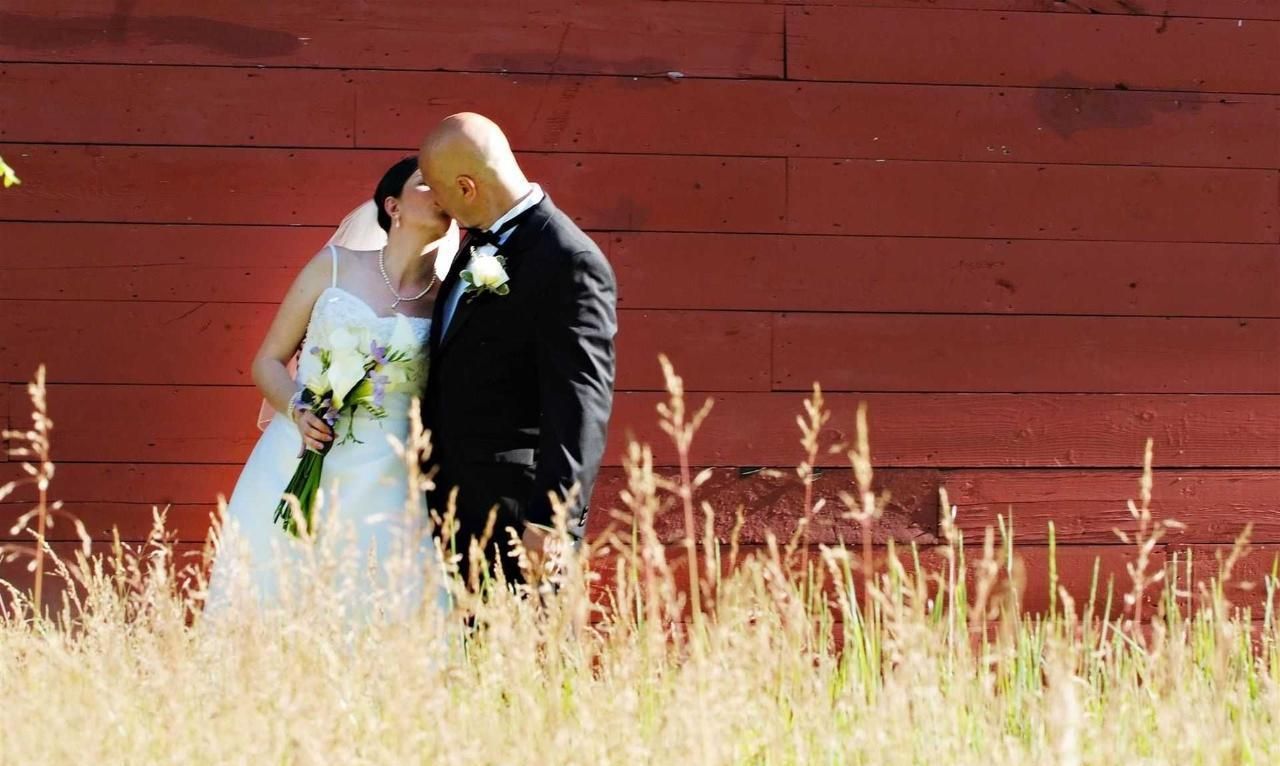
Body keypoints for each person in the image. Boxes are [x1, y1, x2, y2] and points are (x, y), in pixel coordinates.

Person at [205, 157, 455, 618]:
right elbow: (268, 360)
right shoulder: (334, 267)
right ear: (392, 205)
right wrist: (298, 409)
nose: (440, 193)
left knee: (380, 604)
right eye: (425, 184)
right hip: (296, 454)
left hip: (390, 477)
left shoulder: (448, 300)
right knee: (272, 591)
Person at [418, 113, 618, 586]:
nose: (439, 207)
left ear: (467, 187)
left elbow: (580, 403)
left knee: (524, 654)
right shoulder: (475, 243)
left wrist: (551, 522)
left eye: (439, 191)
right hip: (451, 505)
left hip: (513, 514)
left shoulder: (569, 261)